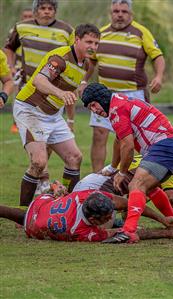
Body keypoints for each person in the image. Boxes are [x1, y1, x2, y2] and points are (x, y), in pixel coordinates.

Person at [81, 83, 173, 243]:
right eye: (89, 108)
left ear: (101, 98)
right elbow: (119, 141)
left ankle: (128, 231)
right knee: (151, 189)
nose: (94, 110)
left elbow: (128, 146)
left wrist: (121, 173)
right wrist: (113, 166)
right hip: (171, 144)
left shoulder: (116, 109)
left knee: (136, 185)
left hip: (165, 145)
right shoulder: (118, 104)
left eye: (93, 104)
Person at [12, 24, 100, 208]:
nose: (93, 46)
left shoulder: (85, 63)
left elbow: (71, 93)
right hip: (30, 110)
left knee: (75, 158)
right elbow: (39, 80)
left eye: (97, 42)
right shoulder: (61, 58)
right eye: (89, 41)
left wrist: (70, 118)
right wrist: (59, 94)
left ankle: (67, 207)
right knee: (39, 162)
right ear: (77, 39)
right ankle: (24, 215)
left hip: (53, 115)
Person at [4, 0, 75, 190]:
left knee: (49, 136)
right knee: (35, 138)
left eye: (50, 8)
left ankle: (41, 177)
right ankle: (42, 179)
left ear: (55, 11)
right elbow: (9, 47)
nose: (46, 12)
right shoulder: (21, 27)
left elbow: (74, 54)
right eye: (43, 8)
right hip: (30, 88)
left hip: (54, 91)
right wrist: (10, 66)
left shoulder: (66, 30)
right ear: (36, 11)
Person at [89, 0, 165, 173]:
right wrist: (84, 81)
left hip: (133, 94)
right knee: (99, 134)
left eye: (124, 11)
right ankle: (97, 178)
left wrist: (159, 76)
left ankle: (138, 174)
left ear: (131, 14)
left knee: (134, 137)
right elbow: (91, 62)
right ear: (110, 13)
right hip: (104, 95)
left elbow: (158, 56)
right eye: (116, 11)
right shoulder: (101, 34)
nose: (120, 14)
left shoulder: (141, 32)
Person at [0, 187, 173, 242]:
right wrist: (166, 233)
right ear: (92, 220)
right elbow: (125, 234)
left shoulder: (89, 195)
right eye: (106, 217)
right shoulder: (81, 232)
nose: (111, 216)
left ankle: (57, 190)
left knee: (19, 215)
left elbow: (132, 204)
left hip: (43, 204)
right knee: (22, 218)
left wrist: (163, 219)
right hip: (35, 227)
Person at [74, 151, 173, 222]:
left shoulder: (147, 159)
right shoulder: (164, 166)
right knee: (105, 229)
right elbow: (172, 198)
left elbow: (149, 195)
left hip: (85, 187)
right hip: (93, 192)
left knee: (132, 203)